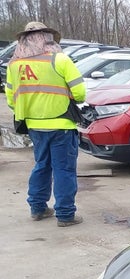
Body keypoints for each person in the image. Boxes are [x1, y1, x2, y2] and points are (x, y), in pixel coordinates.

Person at [4, 21, 86, 226]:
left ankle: (38, 208)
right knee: (63, 170)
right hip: (61, 126)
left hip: (34, 126)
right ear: (48, 38)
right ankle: (66, 215)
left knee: (42, 165)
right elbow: (80, 93)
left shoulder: (14, 65)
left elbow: (11, 99)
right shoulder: (60, 60)